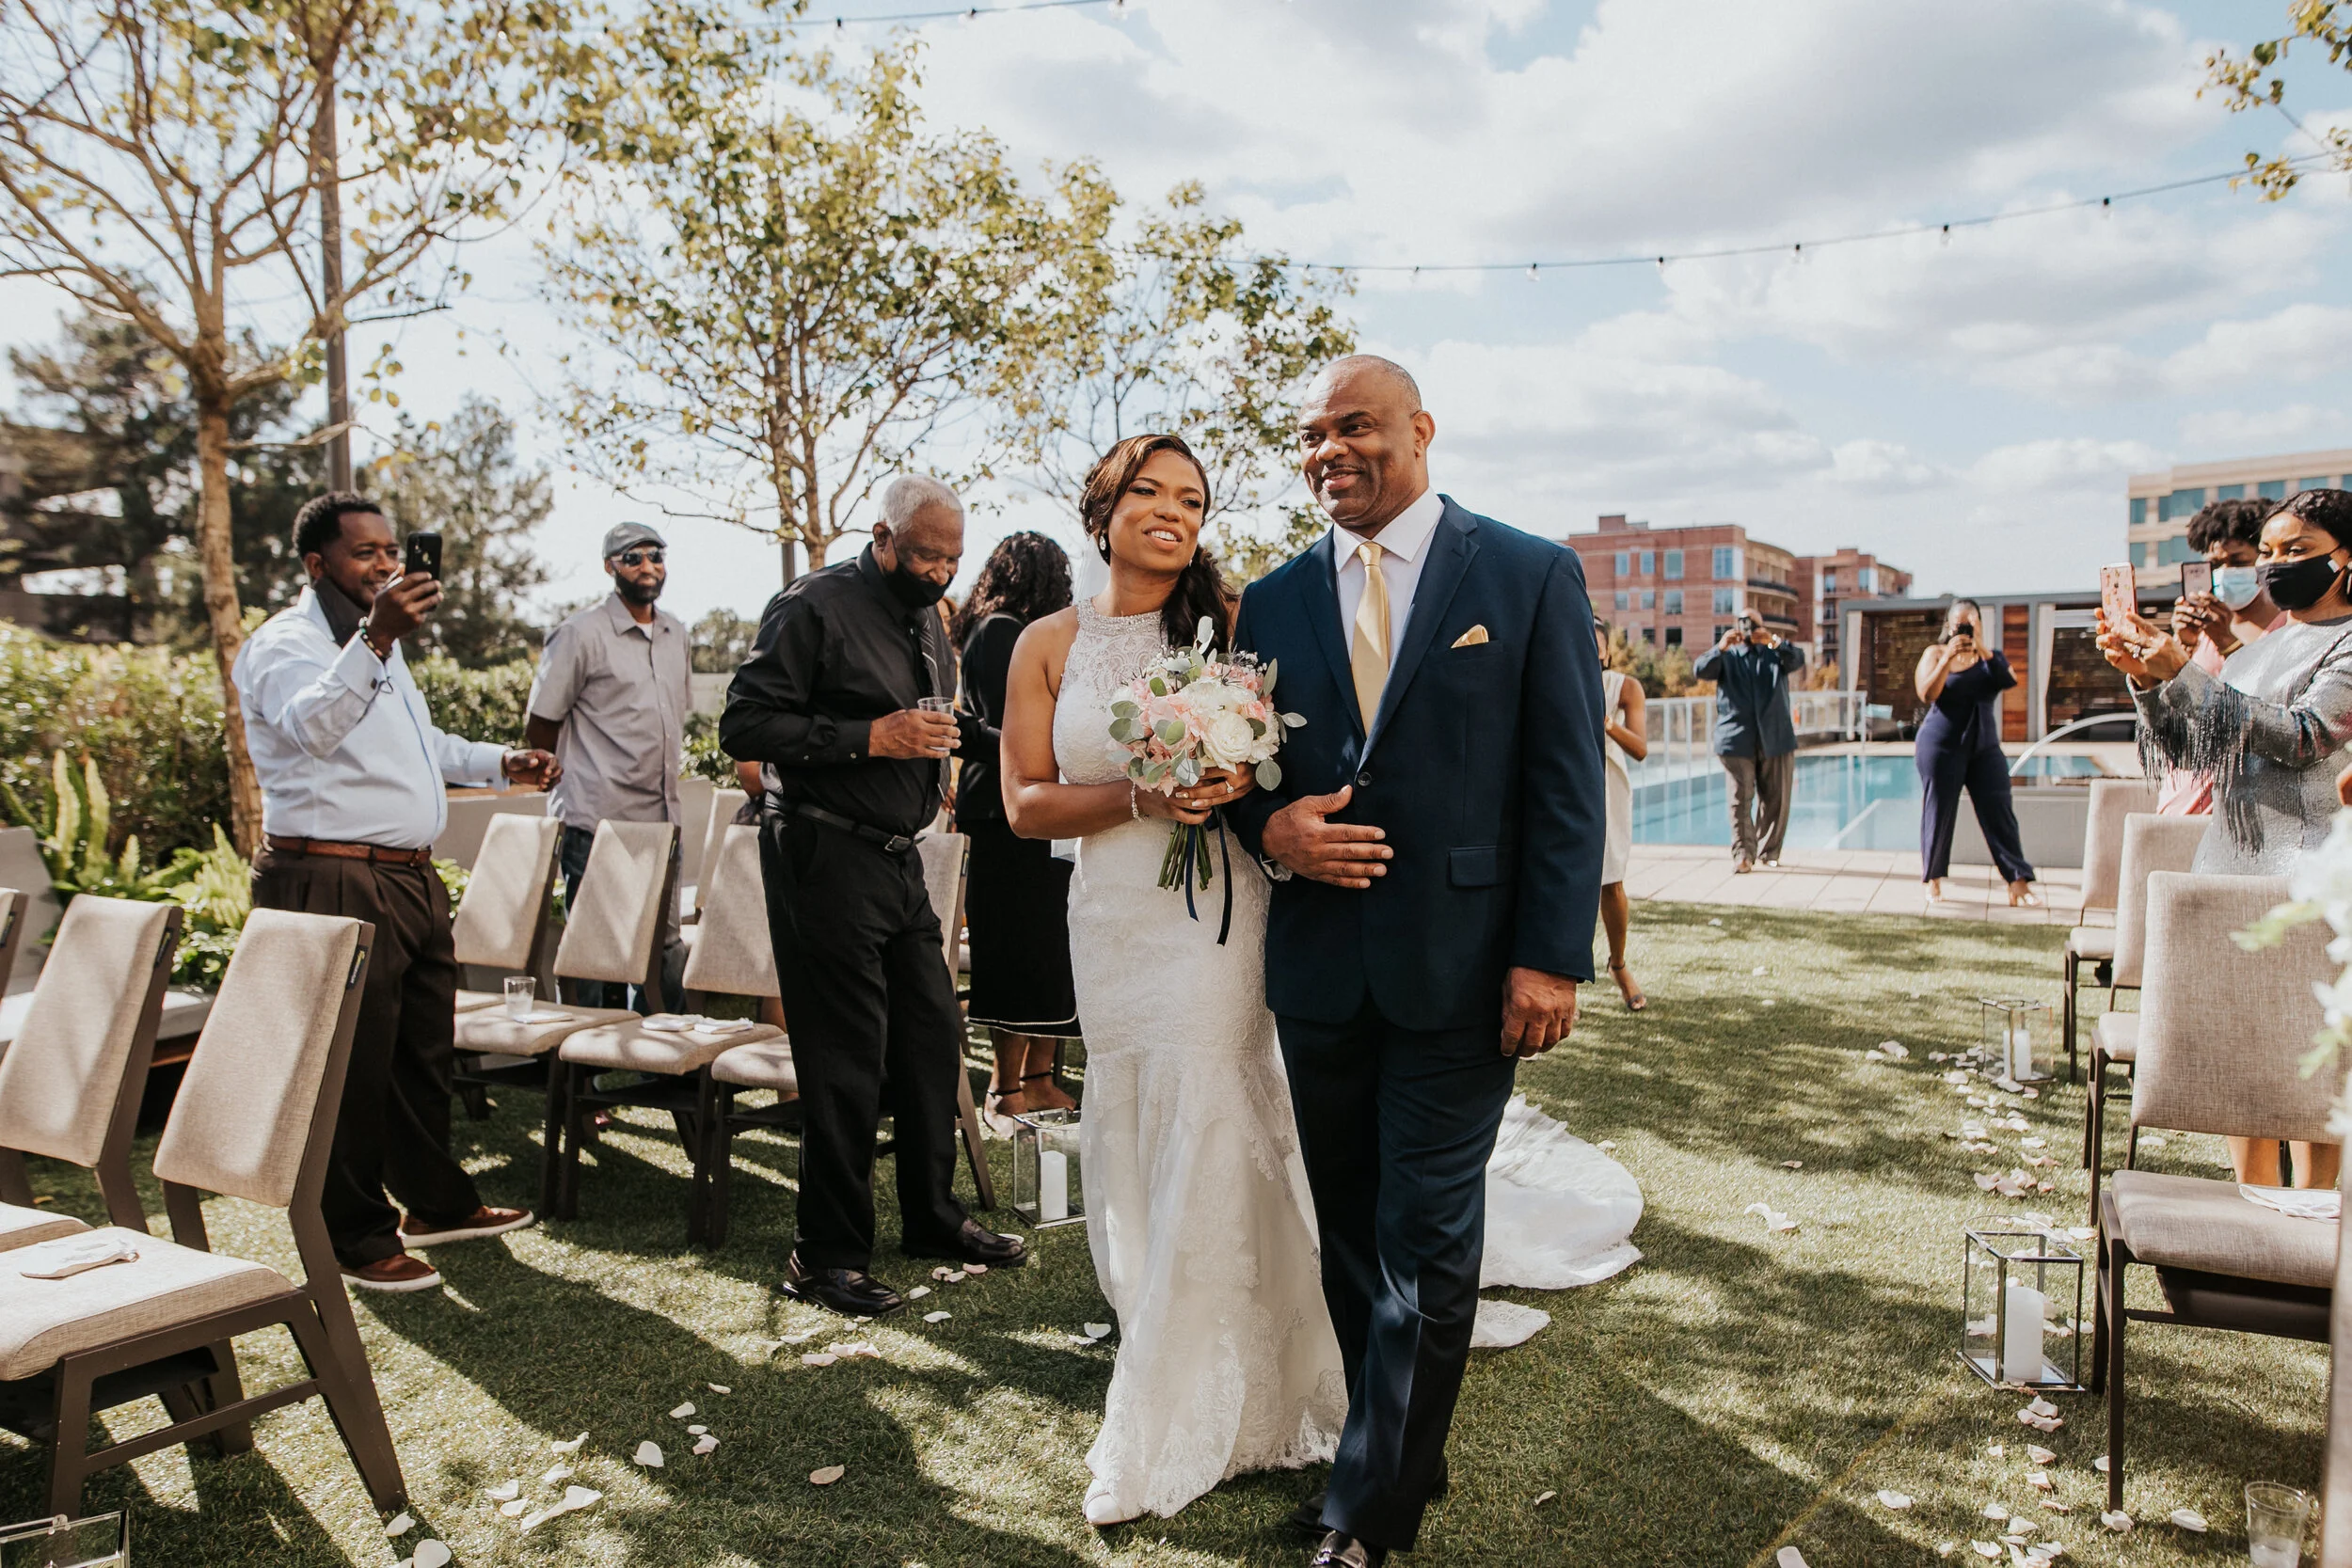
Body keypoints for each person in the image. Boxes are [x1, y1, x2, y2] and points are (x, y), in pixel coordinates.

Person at [1227, 356, 1609, 1567]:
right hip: (1320, 969)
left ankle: (1366, 1515)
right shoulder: (1270, 600)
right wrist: (1269, 828)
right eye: (1311, 434)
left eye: (1355, 425)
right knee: (1350, 1230)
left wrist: (1549, 958)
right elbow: (1238, 775)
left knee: (1426, 1238)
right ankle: (1392, 1453)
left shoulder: (1529, 572)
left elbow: (1566, 782)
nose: (1329, 450)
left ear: (1420, 429)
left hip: (1466, 967)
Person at [1000, 433, 1343, 1527]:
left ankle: (1202, 1382)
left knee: (1208, 1097)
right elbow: (1024, 803)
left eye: (1190, 498)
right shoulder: (1044, 641)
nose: (1171, 510)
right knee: (1133, 1109)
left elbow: (1287, 758)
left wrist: (1240, 776)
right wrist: (1143, 796)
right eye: (1147, 491)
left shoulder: (1232, 625)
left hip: (1216, 917)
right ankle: (1153, 1317)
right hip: (1111, 917)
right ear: (1101, 511)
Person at [233, 492, 558, 1293]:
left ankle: (435, 1204)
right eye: (365, 552)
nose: (385, 564)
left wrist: (499, 762)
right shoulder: (284, 644)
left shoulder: (377, 646)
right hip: (330, 876)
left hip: (408, 876)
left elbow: (421, 745)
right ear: (318, 564)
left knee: (421, 1050)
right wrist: (377, 637)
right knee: (348, 1063)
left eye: (390, 550)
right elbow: (311, 728)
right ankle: (356, 1236)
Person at [720, 475, 1025, 1320]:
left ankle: (931, 1216)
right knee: (845, 1060)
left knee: (931, 1038)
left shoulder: (928, 615)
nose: (941, 573)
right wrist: (870, 738)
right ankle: (824, 1255)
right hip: (821, 850)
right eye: (926, 556)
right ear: (882, 538)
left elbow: (940, 720)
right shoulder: (811, 606)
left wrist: (1022, 748)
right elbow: (744, 725)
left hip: (898, 858)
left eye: (953, 559)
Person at [2100, 486, 2352, 1192]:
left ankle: (2313, 1218)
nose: (2274, 565)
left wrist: (2182, 672)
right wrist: (2148, 680)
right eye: (2267, 551)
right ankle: (2254, 1202)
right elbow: (2197, 747)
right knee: (2243, 1056)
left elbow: (2304, 738)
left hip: (2304, 877)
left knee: (2304, 1058)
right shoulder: (2260, 647)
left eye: (2296, 550)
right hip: (2230, 869)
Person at [525, 522, 691, 1013]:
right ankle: (582, 1056)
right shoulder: (579, 634)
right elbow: (541, 724)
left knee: (664, 949)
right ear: (609, 567)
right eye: (632, 558)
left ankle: (663, 1052)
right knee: (594, 955)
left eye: (655, 556)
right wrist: (568, 780)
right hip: (597, 821)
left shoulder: (676, 633)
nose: (647, 567)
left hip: (662, 819)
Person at [950, 531, 1081, 1123]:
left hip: (1036, 809)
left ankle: (1039, 1079)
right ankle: (1005, 1089)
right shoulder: (1001, 631)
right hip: (1005, 816)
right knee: (1015, 949)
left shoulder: (1012, 630)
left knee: (1049, 947)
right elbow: (1013, 728)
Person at [2159, 498, 2282, 816]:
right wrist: (2182, 647)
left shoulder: (2285, 626)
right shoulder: (2200, 631)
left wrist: (2227, 642)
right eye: (2215, 564)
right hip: (2180, 803)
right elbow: (2168, 717)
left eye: (2238, 561)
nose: (2225, 573)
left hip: (2242, 811)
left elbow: (2273, 711)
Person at [1913, 599, 2039, 907]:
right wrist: (1947, 658)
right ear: (1949, 626)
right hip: (1941, 745)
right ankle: (1933, 880)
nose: (1966, 628)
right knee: (1939, 810)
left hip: (1984, 747)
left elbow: (2008, 679)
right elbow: (1926, 693)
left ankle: (2018, 882)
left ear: (1980, 624)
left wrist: (1980, 648)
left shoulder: (1990, 658)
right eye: (1960, 624)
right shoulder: (1935, 653)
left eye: (1972, 623)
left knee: (2000, 809)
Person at [1692, 610, 1804, 872]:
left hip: (1776, 737)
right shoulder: (1727, 656)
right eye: (1743, 622)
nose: (1748, 627)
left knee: (1776, 799)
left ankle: (1768, 851)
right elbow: (1700, 669)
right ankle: (1743, 854)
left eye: (1753, 623)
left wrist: (1773, 641)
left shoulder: (1775, 654)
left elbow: (1798, 659)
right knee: (1740, 798)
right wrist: (1720, 647)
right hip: (1736, 739)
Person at [1596, 622, 1648, 1010]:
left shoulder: (1624, 687)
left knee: (1611, 882)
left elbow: (1640, 749)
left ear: (1607, 653)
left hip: (1608, 787)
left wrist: (1606, 722)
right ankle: (1565, 980)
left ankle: (1618, 965)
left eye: (1595, 644)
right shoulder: (1553, 677)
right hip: (1561, 784)